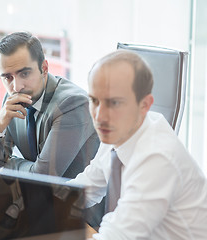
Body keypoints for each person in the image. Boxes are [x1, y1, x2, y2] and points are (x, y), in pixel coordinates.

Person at [69, 49, 207, 239]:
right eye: (94, 101)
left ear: (144, 105)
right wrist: (37, 205)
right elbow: (84, 189)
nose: (99, 116)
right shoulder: (120, 132)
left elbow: (117, 236)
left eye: (114, 103)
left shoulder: (157, 157)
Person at [0, 32, 100, 235]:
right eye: (7, 77)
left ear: (44, 68)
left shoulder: (73, 104)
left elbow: (42, 179)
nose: (16, 86)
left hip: (78, 219)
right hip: (34, 206)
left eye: (24, 73)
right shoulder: (13, 100)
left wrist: (9, 163)